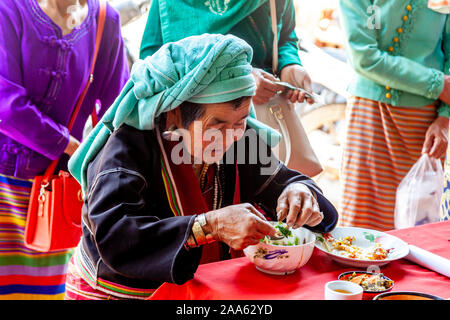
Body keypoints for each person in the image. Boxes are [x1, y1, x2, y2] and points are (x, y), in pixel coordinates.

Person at [64, 34, 339, 300]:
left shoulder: (240, 140)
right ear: (174, 111)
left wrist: (301, 191)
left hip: (202, 290)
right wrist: (208, 226)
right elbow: (117, 236)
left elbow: (282, 181)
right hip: (122, 294)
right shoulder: (125, 151)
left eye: (241, 121)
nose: (232, 135)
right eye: (217, 124)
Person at [0, 0, 129, 299]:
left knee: (47, 292)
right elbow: (5, 105)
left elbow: (118, 109)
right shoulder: (9, 8)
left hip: (57, 197)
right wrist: (70, 146)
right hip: (5, 185)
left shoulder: (104, 19)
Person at [338, 0, 449, 230]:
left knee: (415, 232)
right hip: (370, 119)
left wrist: (445, 117)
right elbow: (364, 56)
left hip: (425, 128)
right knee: (361, 231)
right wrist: (437, 84)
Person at [140, 0, 314, 107]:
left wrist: (290, 64)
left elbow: (284, 36)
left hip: (263, 127)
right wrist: (235, 79)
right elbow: (151, 65)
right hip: (196, 130)